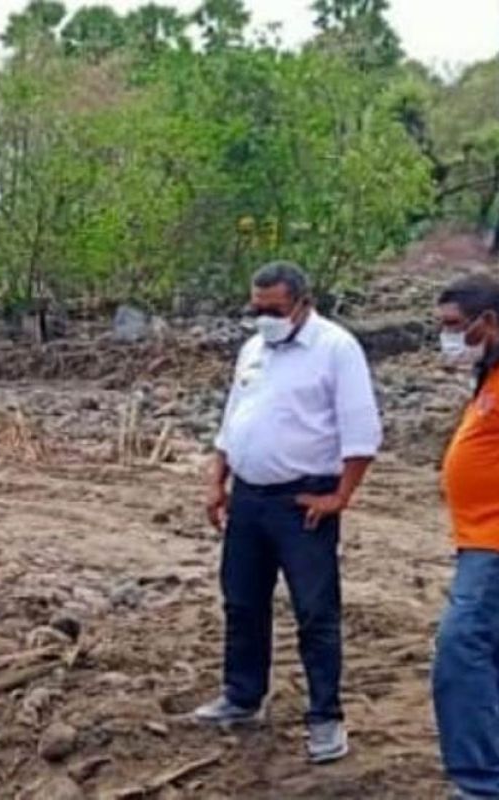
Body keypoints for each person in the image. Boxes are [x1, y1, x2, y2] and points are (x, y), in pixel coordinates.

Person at [191, 262, 382, 765]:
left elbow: (361, 431)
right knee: (242, 601)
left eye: (272, 309)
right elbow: (233, 420)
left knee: (315, 611)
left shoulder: (336, 349)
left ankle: (325, 718)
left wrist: (340, 496)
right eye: (256, 308)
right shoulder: (253, 350)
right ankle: (242, 696)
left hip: (303, 504)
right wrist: (217, 480)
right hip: (249, 499)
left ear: (302, 302)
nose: (262, 318)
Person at [431, 274, 499, 800]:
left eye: (455, 327)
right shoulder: (489, 375)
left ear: (489, 322)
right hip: (477, 539)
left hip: (493, 545)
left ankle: (479, 786)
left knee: (461, 651)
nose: (447, 337)